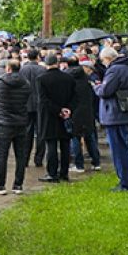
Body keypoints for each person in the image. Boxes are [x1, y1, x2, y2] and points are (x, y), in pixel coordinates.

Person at [95, 47, 128, 192]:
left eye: (103, 60)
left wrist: (97, 87)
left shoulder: (114, 70)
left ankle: (126, 183)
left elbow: (106, 91)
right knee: (127, 149)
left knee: (120, 150)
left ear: (108, 58)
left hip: (116, 115)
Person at [0, 60, 32, 195]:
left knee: (2, 156)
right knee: (20, 155)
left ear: (8, 68)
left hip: (4, 123)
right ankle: (18, 185)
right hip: (21, 122)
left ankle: (0, 185)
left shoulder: (0, 82)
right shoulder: (26, 83)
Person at [36, 53, 76, 183]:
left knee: (51, 145)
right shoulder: (68, 78)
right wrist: (67, 109)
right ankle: (64, 173)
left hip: (49, 116)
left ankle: (52, 173)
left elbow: (43, 100)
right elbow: (74, 96)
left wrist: (58, 110)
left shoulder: (42, 79)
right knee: (65, 145)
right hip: (66, 115)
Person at [68, 57, 101, 172]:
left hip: (75, 113)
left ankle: (79, 165)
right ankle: (96, 162)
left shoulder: (71, 84)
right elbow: (93, 97)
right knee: (90, 138)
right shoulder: (87, 82)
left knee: (76, 138)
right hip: (88, 112)